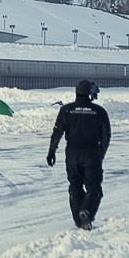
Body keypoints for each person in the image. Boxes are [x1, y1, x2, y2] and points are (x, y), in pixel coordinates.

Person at [47, 79, 111, 230]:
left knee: (75, 186)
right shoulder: (99, 111)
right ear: (90, 93)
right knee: (94, 188)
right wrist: (101, 154)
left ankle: (79, 220)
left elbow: (57, 132)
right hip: (91, 153)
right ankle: (86, 212)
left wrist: (52, 151)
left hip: (72, 154)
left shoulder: (66, 110)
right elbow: (106, 135)